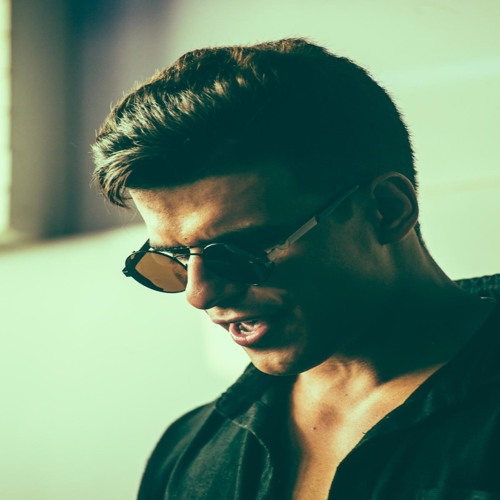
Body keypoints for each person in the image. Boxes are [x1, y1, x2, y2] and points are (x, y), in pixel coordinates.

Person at [92, 38, 500, 499]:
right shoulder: (188, 455)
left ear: (386, 210)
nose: (200, 294)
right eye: (176, 257)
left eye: (244, 248)